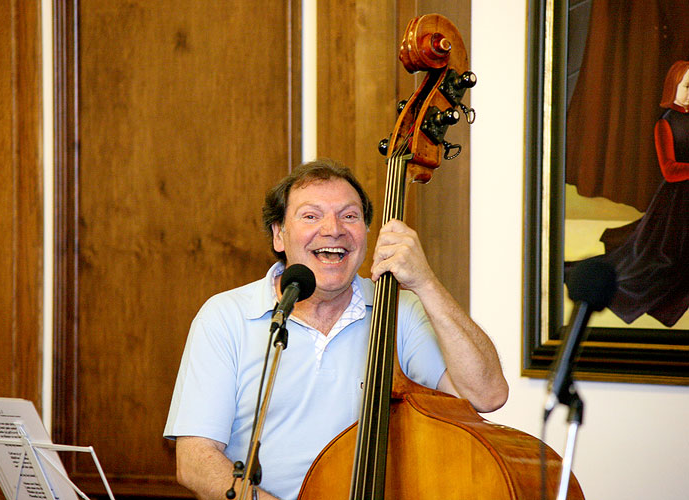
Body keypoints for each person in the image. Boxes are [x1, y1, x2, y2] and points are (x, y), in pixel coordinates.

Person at [164, 158, 508, 500]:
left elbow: (487, 396)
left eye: (349, 216)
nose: (334, 229)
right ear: (279, 235)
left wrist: (426, 283)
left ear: (366, 234)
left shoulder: (401, 312)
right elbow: (195, 460)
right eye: (311, 216)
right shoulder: (225, 317)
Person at [591, 60, 689, 327]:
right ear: (674, 88)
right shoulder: (665, 124)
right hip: (675, 206)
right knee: (663, 265)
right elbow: (669, 171)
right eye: (687, 87)